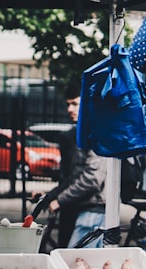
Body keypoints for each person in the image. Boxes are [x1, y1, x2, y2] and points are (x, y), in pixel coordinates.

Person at [37, 82, 108, 248]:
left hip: (93, 208)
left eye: (75, 104)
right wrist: (51, 196)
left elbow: (92, 178)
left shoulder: (97, 131)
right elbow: (75, 175)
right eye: (68, 104)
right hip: (85, 207)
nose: (70, 109)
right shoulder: (84, 132)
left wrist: (59, 200)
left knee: (73, 264)